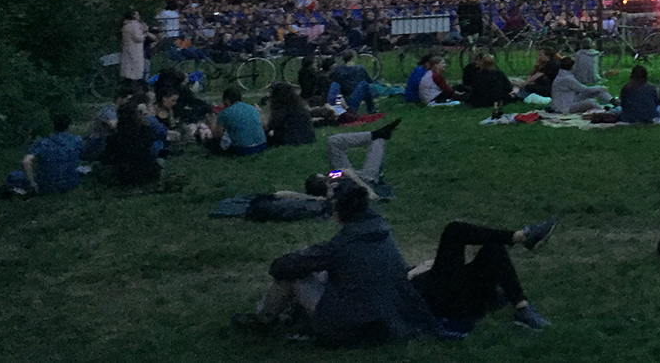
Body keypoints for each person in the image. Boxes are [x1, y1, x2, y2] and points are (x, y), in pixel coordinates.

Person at [232, 182, 438, 346]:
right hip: (391, 318)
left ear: (339, 213)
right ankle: (280, 312)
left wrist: (301, 256)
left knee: (294, 277)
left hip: (352, 325)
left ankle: (264, 318)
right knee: (319, 272)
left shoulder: (342, 245)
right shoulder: (381, 233)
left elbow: (282, 267)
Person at [408, 215, 558, 331]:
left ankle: (523, 308)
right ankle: (522, 237)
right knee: (454, 230)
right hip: (439, 300)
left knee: (494, 246)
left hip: (467, 299)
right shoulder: (402, 280)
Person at [6, 114, 85, 196]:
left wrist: (32, 182)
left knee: (15, 175)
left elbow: (26, 161)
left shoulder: (44, 142)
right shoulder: (77, 140)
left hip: (47, 185)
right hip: (71, 183)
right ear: (69, 125)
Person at [328, 118, 401, 196]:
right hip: (358, 181)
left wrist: (338, 173)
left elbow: (330, 175)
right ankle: (380, 136)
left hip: (339, 175)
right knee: (367, 175)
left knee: (334, 140)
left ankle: (375, 135)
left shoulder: (324, 179)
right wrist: (369, 190)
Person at [102, 96, 163, 185]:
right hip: (148, 173)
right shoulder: (146, 131)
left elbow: (107, 158)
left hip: (123, 176)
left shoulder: (113, 137)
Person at [211, 85, 267, 156]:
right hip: (261, 145)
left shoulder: (225, 113)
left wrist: (213, 121)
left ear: (226, 100)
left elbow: (217, 134)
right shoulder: (252, 108)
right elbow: (263, 126)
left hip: (243, 149)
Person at [328, 50, 377, 114]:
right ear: (353, 58)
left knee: (335, 85)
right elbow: (370, 81)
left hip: (341, 100)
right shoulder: (360, 68)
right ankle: (371, 108)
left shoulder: (337, 70)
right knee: (364, 84)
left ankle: (336, 108)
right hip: (352, 101)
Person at [267, 81, 316, 147]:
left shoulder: (281, 110)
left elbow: (271, 126)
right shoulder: (299, 107)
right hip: (307, 137)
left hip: (290, 139)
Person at [119, 10, 148, 90]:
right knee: (136, 70)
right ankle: (136, 88)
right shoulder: (135, 25)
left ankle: (126, 87)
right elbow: (138, 38)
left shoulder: (125, 25)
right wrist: (145, 34)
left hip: (127, 48)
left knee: (128, 69)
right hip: (136, 49)